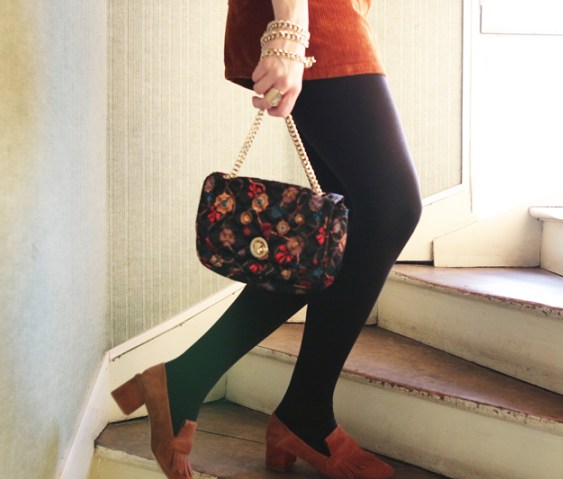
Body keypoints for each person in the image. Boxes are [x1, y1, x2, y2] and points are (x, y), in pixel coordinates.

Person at [111, 0, 422, 478]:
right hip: (317, 14)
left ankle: (275, 405)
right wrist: (289, 30)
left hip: (332, 14)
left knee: (337, 232)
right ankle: (289, 409)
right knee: (391, 210)